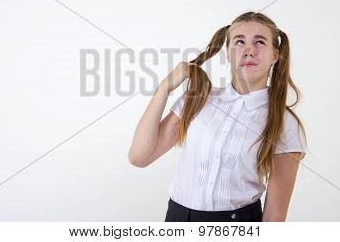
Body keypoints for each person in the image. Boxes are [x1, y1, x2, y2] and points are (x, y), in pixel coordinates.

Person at [128, 11, 308, 222]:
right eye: (240, 42)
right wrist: (164, 88)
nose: (249, 50)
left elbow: (274, 217)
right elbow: (139, 157)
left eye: (259, 42)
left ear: (275, 56)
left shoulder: (285, 123)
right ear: (228, 54)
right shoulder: (197, 99)